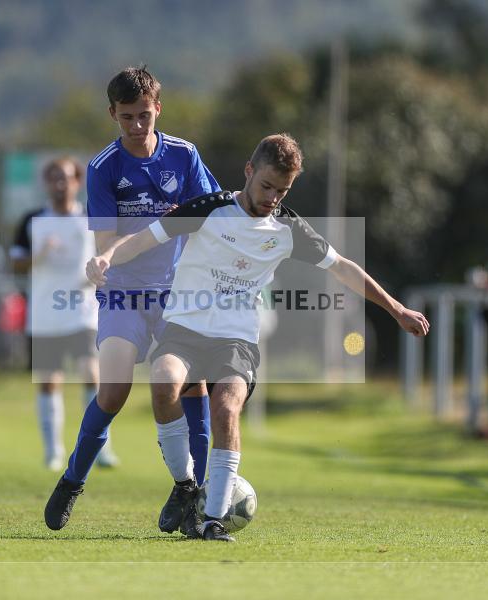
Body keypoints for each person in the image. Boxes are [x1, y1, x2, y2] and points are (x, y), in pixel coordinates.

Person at [86, 133, 429, 541]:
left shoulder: (287, 228)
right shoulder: (207, 209)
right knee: (163, 383)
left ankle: (213, 520)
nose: (272, 198)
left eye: (282, 191)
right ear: (249, 171)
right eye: (267, 186)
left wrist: (397, 309)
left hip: (236, 343)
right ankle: (186, 486)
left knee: (225, 409)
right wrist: (106, 256)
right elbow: (146, 237)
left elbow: (343, 267)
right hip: (185, 332)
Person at [44, 66, 220, 532]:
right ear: (113, 115)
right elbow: (106, 243)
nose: (138, 126)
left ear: (158, 108)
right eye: (127, 117)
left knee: (191, 386)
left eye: (145, 115)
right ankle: (73, 480)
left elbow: (211, 214)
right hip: (123, 294)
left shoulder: (184, 155)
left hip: (177, 295)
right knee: (113, 392)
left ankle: (195, 497)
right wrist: (106, 259)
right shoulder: (104, 167)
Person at [11, 157, 119, 471]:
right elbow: (16, 263)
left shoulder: (90, 218)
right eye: (54, 178)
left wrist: (99, 272)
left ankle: (101, 447)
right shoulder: (33, 220)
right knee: (49, 381)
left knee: (91, 373)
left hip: (82, 312)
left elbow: (109, 255)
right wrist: (41, 255)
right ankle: (53, 451)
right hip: (45, 314)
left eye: (67, 178)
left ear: (77, 182)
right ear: (46, 183)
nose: (61, 184)